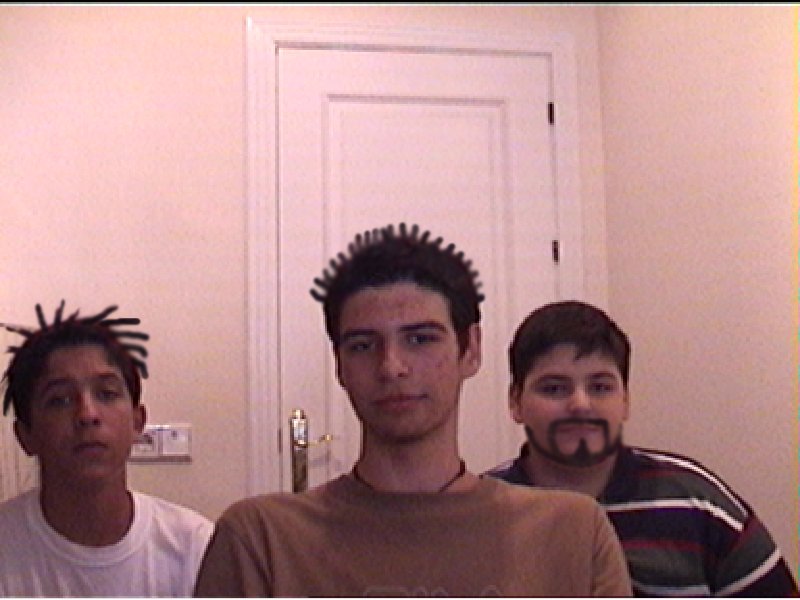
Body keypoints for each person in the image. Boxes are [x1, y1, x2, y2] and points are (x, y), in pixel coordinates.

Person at [194, 223, 632, 597]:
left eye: (420, 339)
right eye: (363, 345)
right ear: (339, 366)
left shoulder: (571, 532)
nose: (392, 367)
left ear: (470, 350)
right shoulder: (263, 539)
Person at [486, 300, 799, 597]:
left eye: (600, 387)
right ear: (515, 402)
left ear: (625, 400)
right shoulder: (479, 513)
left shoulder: (699, 504)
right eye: (554, 388)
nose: (580, 404)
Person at [0, 301, 213, 596]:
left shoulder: (194, 547)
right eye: (60, 400)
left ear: (137, 422)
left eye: (107, 393)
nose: (87, 414)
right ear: (25, 435)